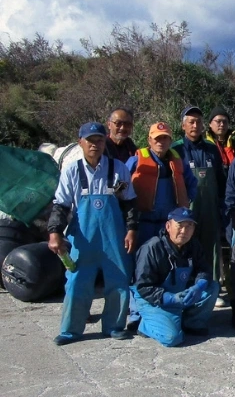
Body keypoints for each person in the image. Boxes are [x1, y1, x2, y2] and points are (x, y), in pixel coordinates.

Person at [47, 122, 138, 345]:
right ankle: (71, 330)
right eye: (90, 141)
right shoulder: (72, 170)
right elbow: (61, 206)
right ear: (80, 143)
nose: (94, 145)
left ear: (104, 141)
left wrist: (132, 230)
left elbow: (130, 204)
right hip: (83, 238)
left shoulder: (118, 168)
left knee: (118, 280)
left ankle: (114, 326)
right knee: (77, 282)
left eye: (99, 140)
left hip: (113, 238)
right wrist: (55, 233)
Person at [131, 207, 220, 347]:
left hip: (179, 293)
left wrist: (199, 286)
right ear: (168, 226)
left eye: (189, 226)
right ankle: (144, 325)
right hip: (153, 299)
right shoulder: (152, 248)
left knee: (212, 287)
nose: (184, 231)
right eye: (180, 225)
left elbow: (204, 269)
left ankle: (192, 323)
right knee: (172, 338)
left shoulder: (193, 245)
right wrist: (170, 298)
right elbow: (143, 287)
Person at [172, 105, 226, 283]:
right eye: (191, 122)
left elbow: (220, 179)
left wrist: (221, 206)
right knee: (186, 246)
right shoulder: (176, 150)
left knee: (211, 247)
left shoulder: (212, 149)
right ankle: (186, 283)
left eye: (199, 122)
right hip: (187, 208)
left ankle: (212, 286)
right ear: (183, 126)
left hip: (210, 208)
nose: (195, 125)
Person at [127, 122, 198, 247]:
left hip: (169, 225)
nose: (161, 142)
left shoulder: (179, 162)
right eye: (157, 138)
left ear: (170, 141)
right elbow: (122, 186)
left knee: (166, 261)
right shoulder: (136, 161)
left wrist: (186, 201)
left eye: (165, 138)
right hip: (143, 224)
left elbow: (192, 184)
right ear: (149, 140)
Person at [205, 105, 235, 176]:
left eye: (225, 122)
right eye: (218, 121)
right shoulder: (204, 146)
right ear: (210, 124)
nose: (222, 124)